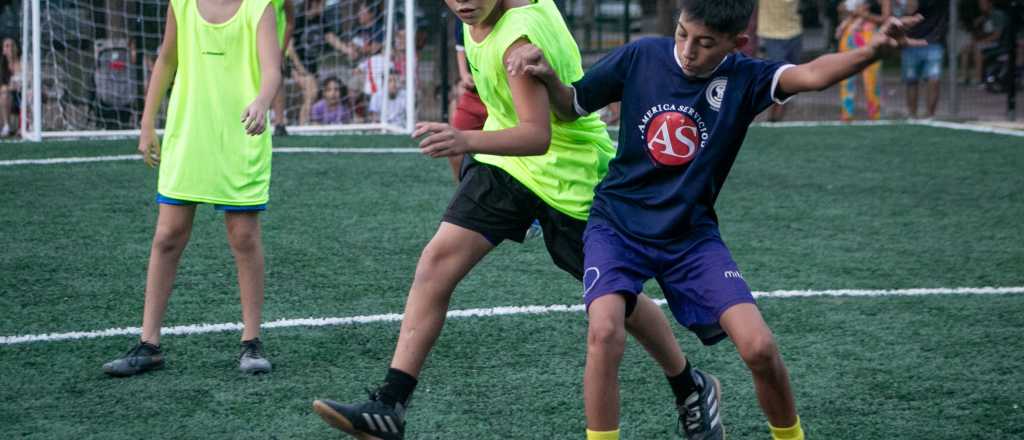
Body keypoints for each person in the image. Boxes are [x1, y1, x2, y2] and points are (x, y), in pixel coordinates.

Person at [505, 0, 925, 438]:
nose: (688, 50)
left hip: (690, 235)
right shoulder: (642, 55)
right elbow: (572, 105)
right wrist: (548, 76)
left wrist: (872, 51)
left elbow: (813, 75)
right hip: (618, 224)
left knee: (760, 348)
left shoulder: (746, 77)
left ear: (736, 43)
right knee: (605, 331)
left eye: (705, 44)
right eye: (683, 35)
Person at [311, 0, 702, 439]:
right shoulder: (479, 17)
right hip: (508, 166)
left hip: (567, 176)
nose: (462, 2)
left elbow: (538, 135)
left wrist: (463, 137)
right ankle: (390, 405)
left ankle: (689, 385)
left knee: (621, 301)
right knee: (437, 262)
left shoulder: (518, 35)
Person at [101, 0, 281, 377]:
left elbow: (272, 70)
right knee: (167, 235)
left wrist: (262, 101)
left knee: (244, 237)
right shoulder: (181, 3)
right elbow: (167, 60)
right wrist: (147, 124)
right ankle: (148, 344)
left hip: (241, 136)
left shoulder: (258, 5)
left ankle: (251, 343)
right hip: (189, 136)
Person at [836, 0, 891, 120]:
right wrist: (845, 10)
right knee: (846, 77)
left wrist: (863, 14)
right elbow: (840, 11)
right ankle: (847, 116)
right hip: (849, 36)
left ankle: (875, 116)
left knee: (872, 80)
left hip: (870, 37)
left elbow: (886, 19)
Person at [900, 0, 948, 118]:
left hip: (935, 42)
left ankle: (930, 116)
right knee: (911, 80)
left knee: (934, 79)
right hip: (912, 42)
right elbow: (910, 9)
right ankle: (912, 115)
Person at [758, 0, 803, 122]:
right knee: (777, 76)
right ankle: (774, 116)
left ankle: (779, 112)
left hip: (794, 31)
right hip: (772, 34)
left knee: (793, 77)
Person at [289, 0, 327, 125]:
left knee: (309, 96)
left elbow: (330, 36)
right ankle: (302, 125)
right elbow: (290, 48)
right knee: (312, 92)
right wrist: (300, 69)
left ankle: (304, 124)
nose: (324, 6)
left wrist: (347, 50)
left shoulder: (320, 19)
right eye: (322, 4)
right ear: (313, 3)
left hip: (311, 65)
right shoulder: (299, 20)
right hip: (295, 65)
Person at [271, 0, 295, 136]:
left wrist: (282, 51)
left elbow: (290, 22)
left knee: (277, 79)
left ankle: (279, 124)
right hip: (249, 44)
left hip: (276, 46)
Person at [0, 37, 22, 137]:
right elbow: (2, 87)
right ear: (3, 50)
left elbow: (31, 79)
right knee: (4, 94)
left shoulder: (24, 61)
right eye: (7, 46)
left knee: (30, 94)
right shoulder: (2, 66)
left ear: (16, 48)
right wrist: (11, 87)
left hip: (24, 92)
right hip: (10, 95)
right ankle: (6, 127)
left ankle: (25, 127)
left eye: (12, 45)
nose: (10, 48)